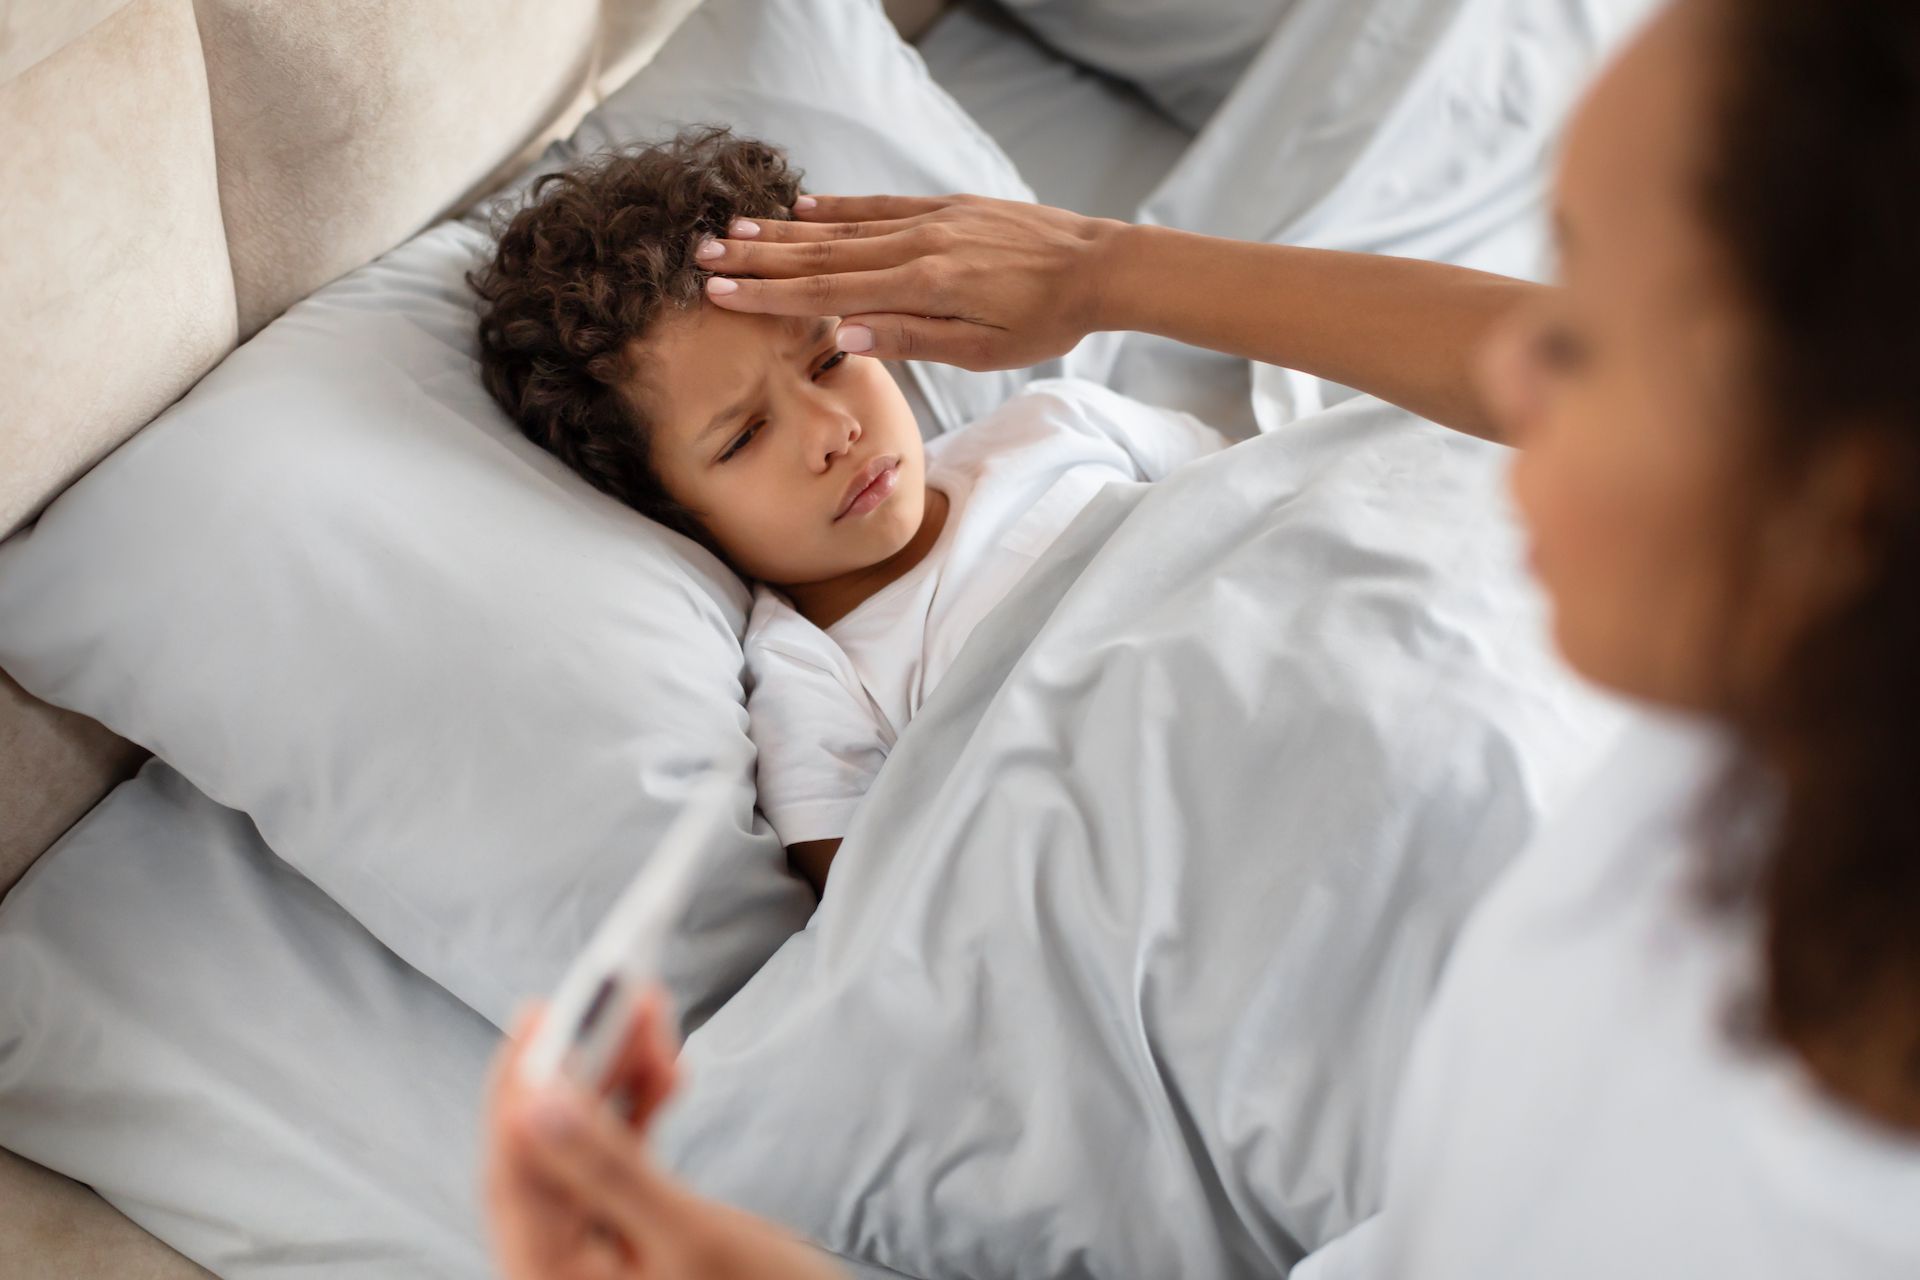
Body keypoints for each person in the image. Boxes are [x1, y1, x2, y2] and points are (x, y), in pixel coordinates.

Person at [484, 0, 1920, 1274]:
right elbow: (906, 919)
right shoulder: (1657, 879)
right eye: (743, 433)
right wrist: (1110, 273)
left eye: (1594, 319)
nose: (1514, 377)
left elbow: (1232, 503)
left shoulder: (1711, 1145)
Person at [470, 127, 1226, 894]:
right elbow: (888, 921)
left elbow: (1269, 495)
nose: (833, 431)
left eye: (830, 361)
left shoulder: (1056, 423)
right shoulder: (810, 676)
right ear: (670, 512)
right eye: (745, 438)